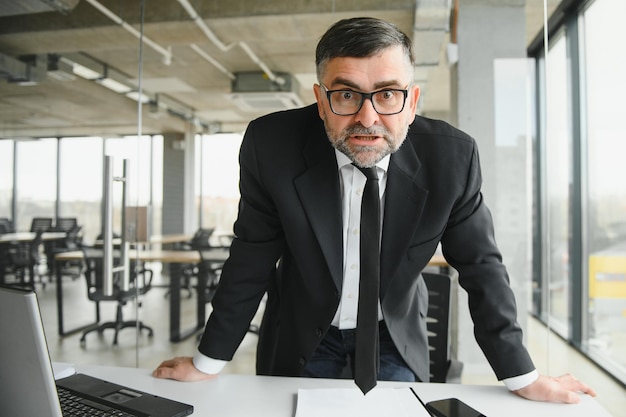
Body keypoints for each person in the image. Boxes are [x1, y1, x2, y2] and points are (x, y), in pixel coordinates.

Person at [153, 17, 596, 403]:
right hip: (304, 332)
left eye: (387, 94)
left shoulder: (452, 159)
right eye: (346, 95)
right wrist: (207, 361)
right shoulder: (272, 147)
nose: (368, 117)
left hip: (394, 335)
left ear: (413, 100)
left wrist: (523, 375)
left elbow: (482, 268)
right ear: (321, 99)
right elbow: (250, 257)